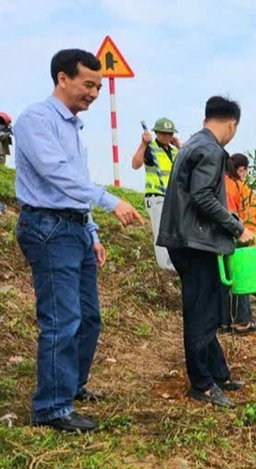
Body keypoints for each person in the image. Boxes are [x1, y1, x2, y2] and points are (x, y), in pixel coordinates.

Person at [14, 49, 145, 432]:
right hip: (47, 228)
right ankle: (51, 408)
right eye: (88, 84)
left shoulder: (73, 128)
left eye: (98, 87)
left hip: (73, 229)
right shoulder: (36, 120)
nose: (94, 93)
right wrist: (108, 201)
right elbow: (58, 175)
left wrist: (91, 232)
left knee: (88, 318)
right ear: (62, 78)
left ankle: (71, 386)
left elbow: (75, 182)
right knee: (62, 318)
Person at [157, 95, 255, 408]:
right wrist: (238, 228)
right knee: (200, 314)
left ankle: (218, 373)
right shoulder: (211, 150)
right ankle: (201, 383)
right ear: (232, 124)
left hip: (186, 239)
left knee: (208, 310)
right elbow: (203, 197)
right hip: (194, 243)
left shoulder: (192, 145)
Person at [130, 117, 181, 270]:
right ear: (157, 133)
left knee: (175, 232)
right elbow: (135, 164)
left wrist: (180, 145)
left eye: (170, 134)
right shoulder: (151, 148)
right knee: (161, 232)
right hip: (157, 197)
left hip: (172, 198)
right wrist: (143, 144)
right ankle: (165, 266)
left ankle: (175, 263)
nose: (167, 137)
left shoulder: (174, 151)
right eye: (164, 133)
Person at [220, 153, 256, 334]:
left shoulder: (221, 181)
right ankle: (243, 320)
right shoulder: (235, 186)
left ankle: (225, 321)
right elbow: (237, 214)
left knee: (225, 279)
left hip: (218, 237)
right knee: (240, 277)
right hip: (235, 235)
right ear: (242, 169)